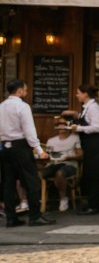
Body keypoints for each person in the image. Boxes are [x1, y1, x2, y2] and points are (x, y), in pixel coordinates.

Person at [1, 79, 54, 227]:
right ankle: (35, 216)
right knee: (32, 181)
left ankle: (11, 218)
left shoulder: (1, 106)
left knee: (9, 182)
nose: (26, 92)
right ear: (19, 91)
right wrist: (39, 149)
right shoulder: (22, 106)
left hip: (5, 147)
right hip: (20, 146)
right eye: (25, 90)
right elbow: (29, 130)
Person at [70, 84, 99, 215]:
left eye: (78, 93)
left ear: (85, 94)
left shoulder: (93, 108)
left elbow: (96, 127)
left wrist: (78, 128)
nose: (77, 95)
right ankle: (91, 203)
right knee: (89, 173)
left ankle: (94, 207)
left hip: (94, 144)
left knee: (94, 174)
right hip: (89, 144)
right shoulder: (87, 108)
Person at [41, 123, 83, 211]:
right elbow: (48, 155)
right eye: (59, 125)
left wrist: (69, 157)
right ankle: (37, 200)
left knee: (60, 173)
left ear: (69, 127)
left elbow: (80, 155)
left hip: (69, 164)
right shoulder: (51, 140)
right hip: (54, 164)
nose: (62, 127)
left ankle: (63, 198)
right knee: (39, 173)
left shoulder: (75, 137)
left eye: (64, 125)